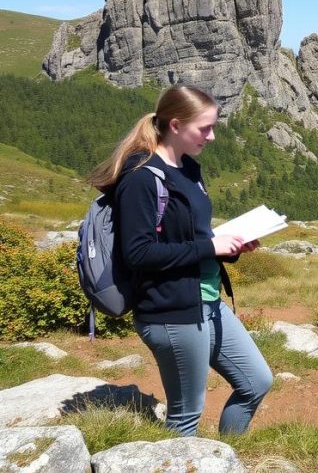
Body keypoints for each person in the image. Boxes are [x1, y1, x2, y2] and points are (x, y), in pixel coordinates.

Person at [88, 84, 273, 436]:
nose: (212, 136)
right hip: (170, 311)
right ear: (175, 125)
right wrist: (209, 248)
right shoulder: (140, 177)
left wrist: (229, 246)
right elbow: (139, 253)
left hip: (206, 301)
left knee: (256, 381)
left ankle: (226, 456)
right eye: (205, 128)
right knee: (186, 415)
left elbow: (192, 233)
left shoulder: (189, 169)